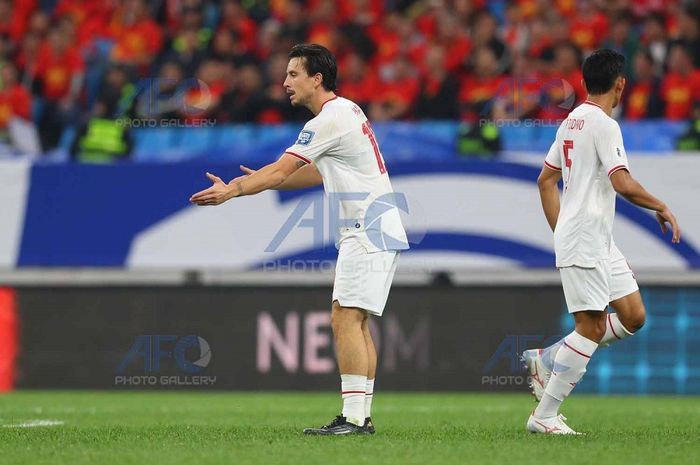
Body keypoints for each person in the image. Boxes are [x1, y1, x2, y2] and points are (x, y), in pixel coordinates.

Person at [189, 43, 408, 435]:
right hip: (377, 227)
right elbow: (314, 173)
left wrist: (234, 190)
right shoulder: (345, 112)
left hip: (366, 228)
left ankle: (355, 419)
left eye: (293, 74)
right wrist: (267, 181)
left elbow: (280, 171)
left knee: (345, 317)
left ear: (316, 78)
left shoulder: (327, 119)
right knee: (354, 320)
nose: (286, 82)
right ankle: (361, 417)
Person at [523, 49, 681, 435]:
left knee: (633, 316)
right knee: (590, 327)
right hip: (585, 238)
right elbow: (621, 181)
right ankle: (543, 416)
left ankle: (547, 359)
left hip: (596, 239)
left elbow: (545, 179)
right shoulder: (605, 125)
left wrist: (561, 227)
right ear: (621, 83)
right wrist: (661, 205)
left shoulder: (572, 121)